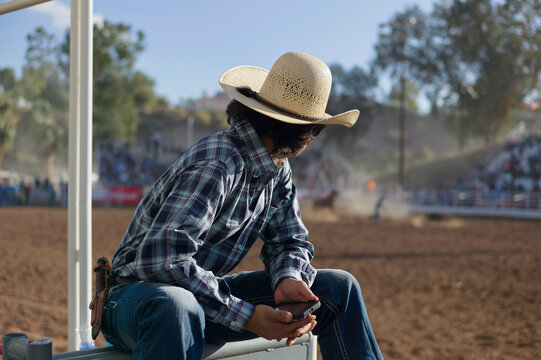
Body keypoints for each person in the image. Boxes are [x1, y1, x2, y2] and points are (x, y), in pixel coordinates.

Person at [101, 51, 383, 360]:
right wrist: (246, 316)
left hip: (196, 298)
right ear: (304, 132)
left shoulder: (276, 170)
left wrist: (288, 277)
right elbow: (163, 261)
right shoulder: (218, 163)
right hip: (134, 299)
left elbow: (290, 240)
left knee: (338, 288)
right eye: (316, 128)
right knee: (175, 305)